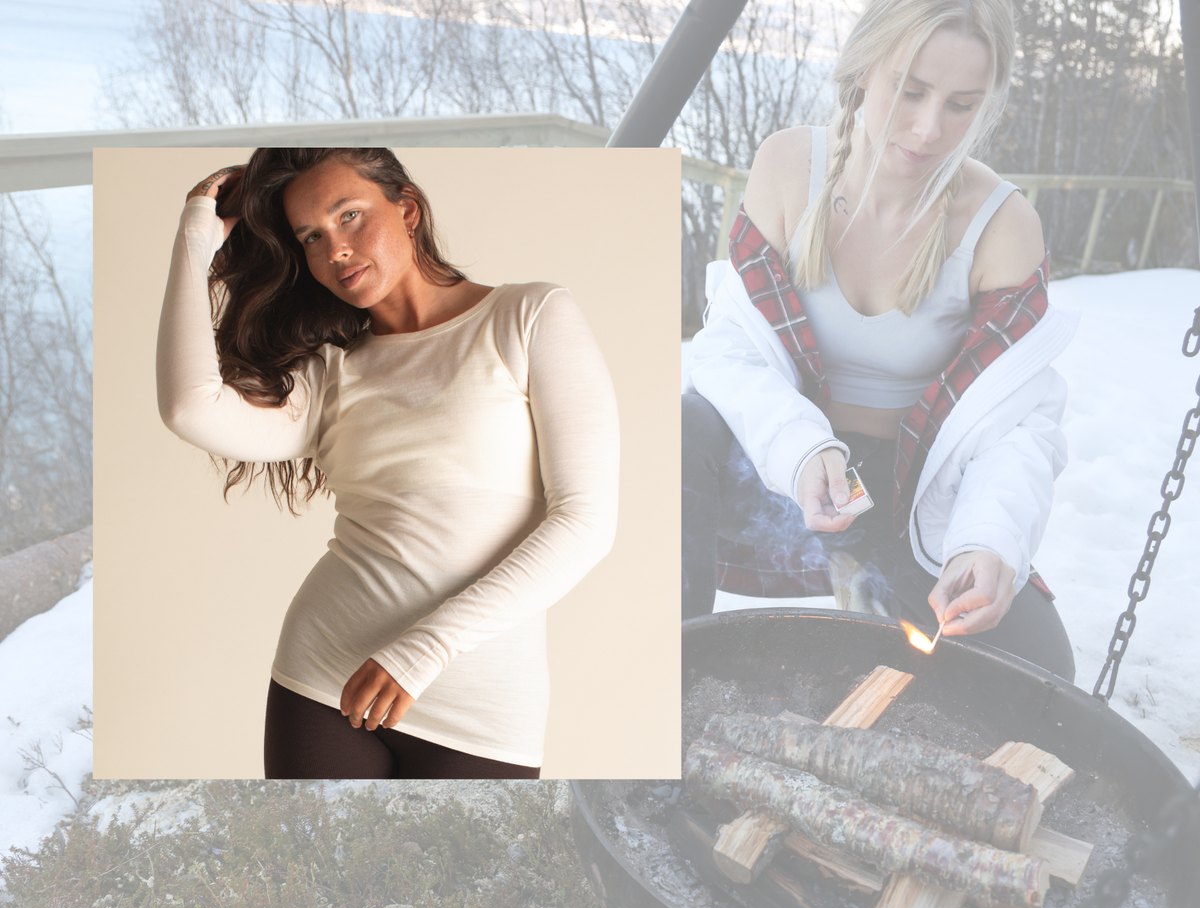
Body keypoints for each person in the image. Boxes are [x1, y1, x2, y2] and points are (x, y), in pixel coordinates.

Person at [157, 148, 619, 778]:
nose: (335, 250)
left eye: (349, 216)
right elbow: (191, 408)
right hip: (325, 676)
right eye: (311, 237)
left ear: (407, 209)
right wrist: (195, 238)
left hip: (480, 707)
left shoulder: (528, 316)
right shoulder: (330, 369)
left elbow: (585, 521)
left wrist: (423, 650)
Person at [682, 0, 1078, 682]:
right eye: (910, 90)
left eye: (960, 104)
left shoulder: (1003, 225)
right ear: (865, 68)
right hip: (776, 466)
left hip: (901, 499)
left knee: (1043, 671)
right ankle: (659, 690)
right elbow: (729, 350)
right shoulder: (787, 167)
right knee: (675, 431)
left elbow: (1019, 427)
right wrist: (803, 448)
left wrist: (986, 539)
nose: (928, 130)